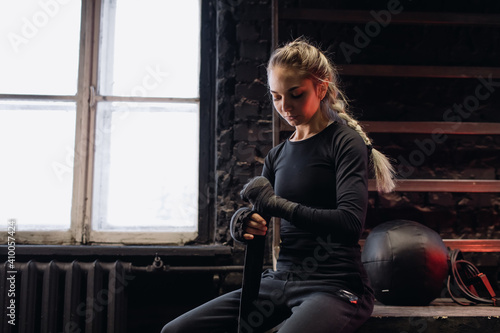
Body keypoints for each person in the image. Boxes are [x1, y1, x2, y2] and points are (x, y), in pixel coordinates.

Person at [161, 37, 395, 333]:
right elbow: (259, 217)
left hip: (334, 287)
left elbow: (349, 223)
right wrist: (243, 222)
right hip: (279, 281)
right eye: (276, 97)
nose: (285, 107)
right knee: (176, 331)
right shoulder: (278, 155)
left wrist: (277, 205)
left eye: (296, 95)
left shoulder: (345, 142)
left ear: (320, 88)